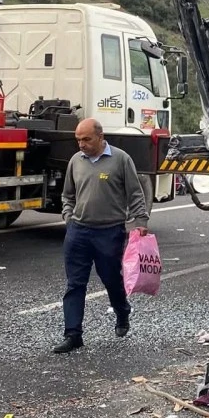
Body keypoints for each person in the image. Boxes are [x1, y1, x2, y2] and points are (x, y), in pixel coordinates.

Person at [53, 118, 150, 354]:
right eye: (78, 140)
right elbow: (68, 194)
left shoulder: (120, 159)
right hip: (78, 231)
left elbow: (135, 194)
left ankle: (122, 312)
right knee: (75, 284)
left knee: (110, 279)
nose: (81, 145)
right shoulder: (76, 161)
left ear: (100, 136)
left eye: (86, 139)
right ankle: (73, 334)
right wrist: (68, 216)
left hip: (110, 231)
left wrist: (141, 222)